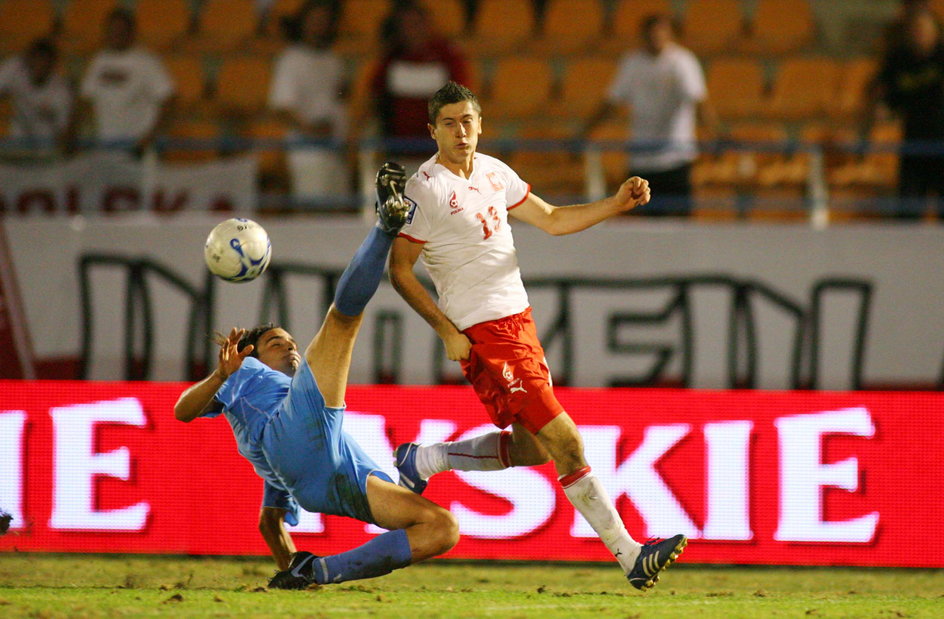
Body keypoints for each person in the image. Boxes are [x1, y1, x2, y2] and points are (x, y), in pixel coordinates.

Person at [388, 81, 686, 591]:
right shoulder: (426, 189)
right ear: (432, 130)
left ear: (480, 124)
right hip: (485, 332)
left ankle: (426, 458)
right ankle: (631, 555)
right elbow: (400, 269)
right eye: (449, 123)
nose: (461, 132)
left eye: (468, 121)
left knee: (535, 450)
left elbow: (550, 219)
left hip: (518, 322)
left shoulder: (493, 172)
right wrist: (445, 330)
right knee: (567, 442)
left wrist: (615, 204)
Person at [174, 163, 459, 589]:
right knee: (341, 322)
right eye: (276, 343)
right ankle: (385, 225)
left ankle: (320, 571)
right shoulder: (245, 375)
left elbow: (270, 523)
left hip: (338, 472)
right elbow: (182, 412)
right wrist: (219, 376)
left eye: (290, 340)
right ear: (251, 355)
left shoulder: (272, 439)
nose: (289, 346)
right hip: (304, 434)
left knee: (441, 528)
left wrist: (290, 566)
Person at [581, 14, 714, 217]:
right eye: (652, 33)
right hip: (641, 159)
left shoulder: (682, 62)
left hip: (676, 158)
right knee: (641, 228)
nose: (656, 37)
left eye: (661, 32)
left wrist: (715, 133)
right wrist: (585, 131)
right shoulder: (632, 63)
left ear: (670, 34)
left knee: (679, 227)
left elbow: (698, 101)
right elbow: (611, 102)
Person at [268, 0, 351, 208]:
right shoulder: (291, 60)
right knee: (312, 211)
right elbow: (281, 108)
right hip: (307, 151)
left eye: (324, 21)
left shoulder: (334, 60)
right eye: (314, 21)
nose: (319, 26)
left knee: (337, 213)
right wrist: (312, 131)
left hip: (336, 150)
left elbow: (340, 101)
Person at [371, 1, 470, 171]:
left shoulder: (447, 56)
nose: (413, 31)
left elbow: (463, 100)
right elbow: (373, 97)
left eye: (417, 24)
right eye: (407, 26)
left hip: (439, 155)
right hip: (397, 152)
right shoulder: (390, 58)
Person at [865, 7, 944, 219]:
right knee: (908, 211)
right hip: (914, 141)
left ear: (936, 31)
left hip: (941, 141)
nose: (921, 34)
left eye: (925, 29)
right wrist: (882, 105)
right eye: (917, 29)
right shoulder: (900, 59)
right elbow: (881, 90)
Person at [77, 8, 174, 155]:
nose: (116, 34)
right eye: (112, 29)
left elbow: (170, 100)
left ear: (131, 32)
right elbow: (85, 98)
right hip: (106, 148)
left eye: (121, 30)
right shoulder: (98, 61)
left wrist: (150, 137)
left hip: (137, 150)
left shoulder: (147, 61)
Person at [0, 38, 72, 155]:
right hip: (18, 135)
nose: (40, 65)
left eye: (45, 61)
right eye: (36, 59)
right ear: (29, 59)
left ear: (52, 65)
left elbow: (64, 130)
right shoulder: (14, 69)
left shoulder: (61, 91)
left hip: (45, 141)